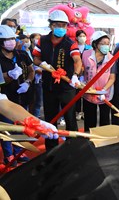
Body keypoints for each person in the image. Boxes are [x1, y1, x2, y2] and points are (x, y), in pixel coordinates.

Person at [32, 9, 82, 151]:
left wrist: (75, 75)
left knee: (70, 118)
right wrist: (41, 64)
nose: (61, 28)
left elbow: (77, 60)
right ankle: (51, 149)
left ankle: (73, 147)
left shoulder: (70, 43)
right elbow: (36, 57)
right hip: (49, 87)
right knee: (51, 119)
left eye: (64, 25)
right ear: (51, 25)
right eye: (57, 25)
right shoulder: (43, 40)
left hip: (67, 87)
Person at [0, 25, 35, 165]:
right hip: (5, 99)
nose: (11, 42)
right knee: (8, 128)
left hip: (21, 96)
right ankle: (9, 156)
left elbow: (31, 70)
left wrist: (27, 82)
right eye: (7, 39)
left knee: (21, 126)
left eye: (12, 39)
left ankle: (19, 152)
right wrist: (9, 75)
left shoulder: (22, 54)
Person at [81, 31, 115, 131]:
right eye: (103, 43)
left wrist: (103, 91)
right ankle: (89, 141)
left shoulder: (111, 58)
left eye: (107, 44)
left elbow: (112, 78)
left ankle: (104, 141)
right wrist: (82, 82)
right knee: (89, 120)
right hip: (89, 94)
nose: (106, 46)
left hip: (105, 94)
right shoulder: (86, 55)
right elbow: (82, 71)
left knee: (105, 121)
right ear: (95, 44)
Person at [75, 30, 92, 121]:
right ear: (77, 37)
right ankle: (78, 111)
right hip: (77, 74)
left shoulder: (89, 48)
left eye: (83, 36)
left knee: (86, 93)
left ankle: (85, 112)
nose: (82, 38)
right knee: (77, 94)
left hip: (86, 74)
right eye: (80, 36)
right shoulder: (74, 47)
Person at [29, 33, 42, 118]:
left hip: (40, 79)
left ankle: (36, 117)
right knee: (34, 100)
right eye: (36, 38)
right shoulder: (29, 51)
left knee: (38, 100)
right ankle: (33, 117)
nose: (38, 40)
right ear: (32, 39)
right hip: (32, 78)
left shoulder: (42, 50)